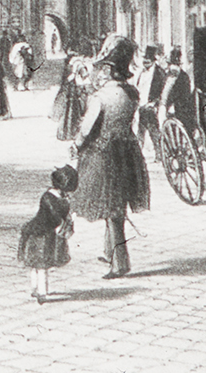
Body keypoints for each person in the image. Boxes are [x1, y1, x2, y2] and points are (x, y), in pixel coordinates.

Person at [73, 36, 149, 279]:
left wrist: (76, 144)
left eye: (103, 68)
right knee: (117, 204)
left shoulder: (100, 96)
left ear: (108, 70)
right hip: (128, 152)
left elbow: (86, 130)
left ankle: (120, 263)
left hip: (105, 155)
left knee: (112, 210)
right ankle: (109, 252)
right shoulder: (132, 93)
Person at [18, 165, 77, 303]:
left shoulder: (61, 197)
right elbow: (56, 216)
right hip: (39, 234)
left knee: (39, 263)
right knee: (40, 264)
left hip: (49, 233)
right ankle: (41, 292)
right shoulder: (48, 197)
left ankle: (36, 288)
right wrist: (66, 226)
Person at [135, 46, 165, 157]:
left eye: (148, 59)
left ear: (152, 60)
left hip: (151, 107)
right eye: (144, 59)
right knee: (141, 131)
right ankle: (138, 155)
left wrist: (154, 103)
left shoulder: (159, 73)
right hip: (141, 106)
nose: (145, 61)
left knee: (154, 131)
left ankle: (160, 154)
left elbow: (163, 91)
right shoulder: (141, 72)